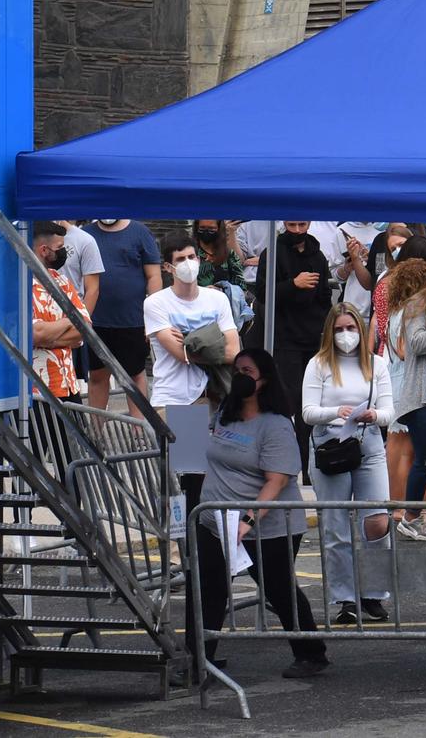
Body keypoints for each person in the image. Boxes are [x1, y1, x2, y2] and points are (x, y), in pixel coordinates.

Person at [191, 347, 329, 679]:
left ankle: (311, 653)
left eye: (247, 372)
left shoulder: (276, 425)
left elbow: (277, 481)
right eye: (236, 370)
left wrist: (248, 520)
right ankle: (197, 661)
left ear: (264, 380)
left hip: (267, 527)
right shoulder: (225, 410)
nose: (239, 377)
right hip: (216, 522)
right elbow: (197, 446)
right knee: (208, 590)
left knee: (279, 590)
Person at [302, 304, 396, 625]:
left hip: (368, 443)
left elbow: (388, 411)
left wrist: (372, 415)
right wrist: (336, 411)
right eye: (340, 329)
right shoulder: (318, 365)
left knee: (377, 521)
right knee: (336, 527)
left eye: (351, 328)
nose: (346, 335)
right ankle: (344, 598)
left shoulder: (377, 364)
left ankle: (373, 593)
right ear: (331, 331)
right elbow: (308, 412)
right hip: (330, 446)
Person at [387, 255, 426, 543]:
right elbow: (413, 345)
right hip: (419, 395)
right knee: (424, 458)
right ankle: (412, 516)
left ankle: (423, 515)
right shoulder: (416, 305)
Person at [263, 220, 333, 464]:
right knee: (287, 399)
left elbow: (325, 296)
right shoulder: (273, 253)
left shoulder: (319, 255)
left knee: (312, 404)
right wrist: (293, 284)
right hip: (284, 339)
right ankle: (286, 459)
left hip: (313, 340)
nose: (297, 230)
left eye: (301, 225)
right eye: (291, 225)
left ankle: (309, 463)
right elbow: (263, 293)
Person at [144, 236, 239, 410]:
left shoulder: (218, 298)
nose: (188, 263)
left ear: (199, 259)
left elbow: (233, 352)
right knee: (190, 439)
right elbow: (182, 355)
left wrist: (188, 339)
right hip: (176, 399)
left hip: (218, 395)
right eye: (180, 259)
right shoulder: (156, 302)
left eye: (191, 257)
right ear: (167, 267)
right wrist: (214, 338)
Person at [84, 218, 162, 409]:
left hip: (133, 320)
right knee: (97, 375)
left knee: (135, 375)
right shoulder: (86, 234)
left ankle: (141, 434)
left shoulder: (140, 232)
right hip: (95, 321)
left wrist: (154, 318)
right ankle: (96, 435)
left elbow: (154, 276)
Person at [29, 222, 91, 402]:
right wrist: (70, 320)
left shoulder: (61, 280)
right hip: (37, 393)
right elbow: (34, 333)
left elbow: (85, 329)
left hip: (69, 387)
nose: (64, 252)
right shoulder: (18, 285)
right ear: (44, 250)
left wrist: (48, 338)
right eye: (60, 248)